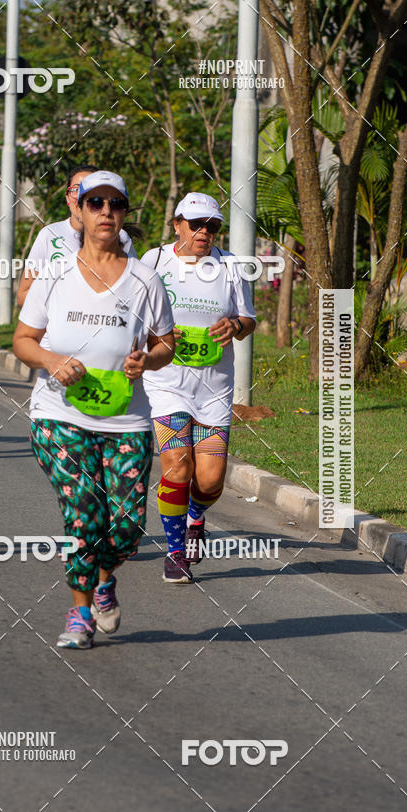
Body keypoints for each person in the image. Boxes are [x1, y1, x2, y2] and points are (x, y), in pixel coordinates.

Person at [13, 170, 175, 649]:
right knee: (84, 515)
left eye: (115, 204)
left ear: (124, 214)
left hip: (127, 419)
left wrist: (148, 359)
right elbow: (24, 340)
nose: (106, 212)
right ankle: (80, 613)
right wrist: (52, 361)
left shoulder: (146, 280)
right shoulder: (56, 276)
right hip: (59, 416)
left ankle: (106, 581)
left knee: (124, 528)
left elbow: (166, 342)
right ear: (79, 212)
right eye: (96, 203)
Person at [140, 192, 256, 584]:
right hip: (166, 383)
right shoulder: (153, 262)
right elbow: (134, 314)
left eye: (213, 226)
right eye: (197, 224)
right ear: (177, 224)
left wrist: (236, 326)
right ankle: (175, 552)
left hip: (215, 389)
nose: (205, 232)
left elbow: (247, 318)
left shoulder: (230, 267)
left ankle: (195, 517)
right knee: (178, 466)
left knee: (209, 481)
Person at [16, 164, 138, 308]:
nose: (81, 195)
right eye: (76, 189)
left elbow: (134, 292)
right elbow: (23, 295)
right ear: (68, 197)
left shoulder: (121, 237)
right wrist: (65, 307)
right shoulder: (49, 235)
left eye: (90, 192)